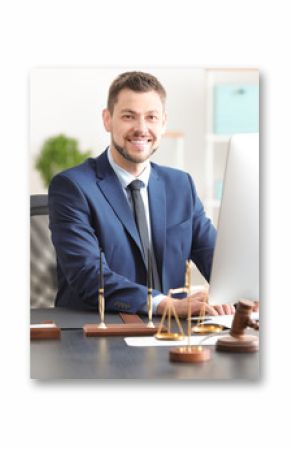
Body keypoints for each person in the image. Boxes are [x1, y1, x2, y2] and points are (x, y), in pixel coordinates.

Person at [48, 71, 234, 317]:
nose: (141, 128)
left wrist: (236, 293)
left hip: (172, 332)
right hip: (99, 332)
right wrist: (165, 304)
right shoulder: (72, 187)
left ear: (163, 123)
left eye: (151, 117)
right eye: (128, 116)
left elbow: (217, 259)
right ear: (107, 119)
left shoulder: (180, 185)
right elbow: (88, 275)